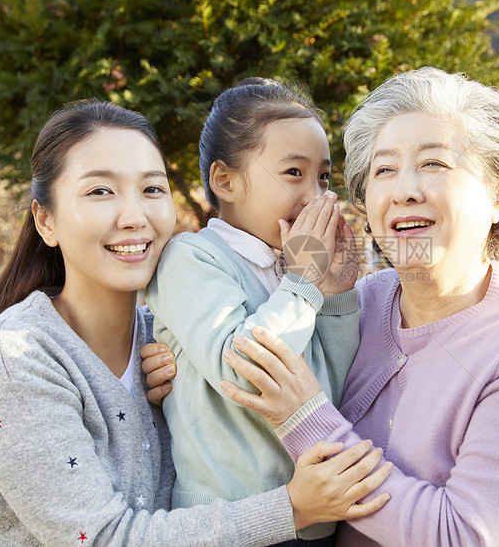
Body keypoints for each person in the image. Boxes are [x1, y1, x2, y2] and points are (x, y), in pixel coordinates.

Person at [150, 67, 499, 545]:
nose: (404, 189)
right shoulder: (365, 300)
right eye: (384, 170)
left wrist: (302, 415)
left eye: (434, 164)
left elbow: (459, 537)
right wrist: (166, 374)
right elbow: (234, 366)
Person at [0, 100, 390, 546]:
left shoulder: (167, 341)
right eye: (100, 191)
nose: (135, 217)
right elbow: (102, 539)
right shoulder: (18, 354)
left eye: (151, 189)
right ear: (46, 221)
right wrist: (293, 509)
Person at [143, 77, 363, 545]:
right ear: (226, 181)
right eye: (293, 173)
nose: (316, 195)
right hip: (232, 525)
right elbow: (242, 373)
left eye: (323, 177)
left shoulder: (295, 270)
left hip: (316, 522)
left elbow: (335, 392)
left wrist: (338, 295)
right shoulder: (192, 258)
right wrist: (303, 284)